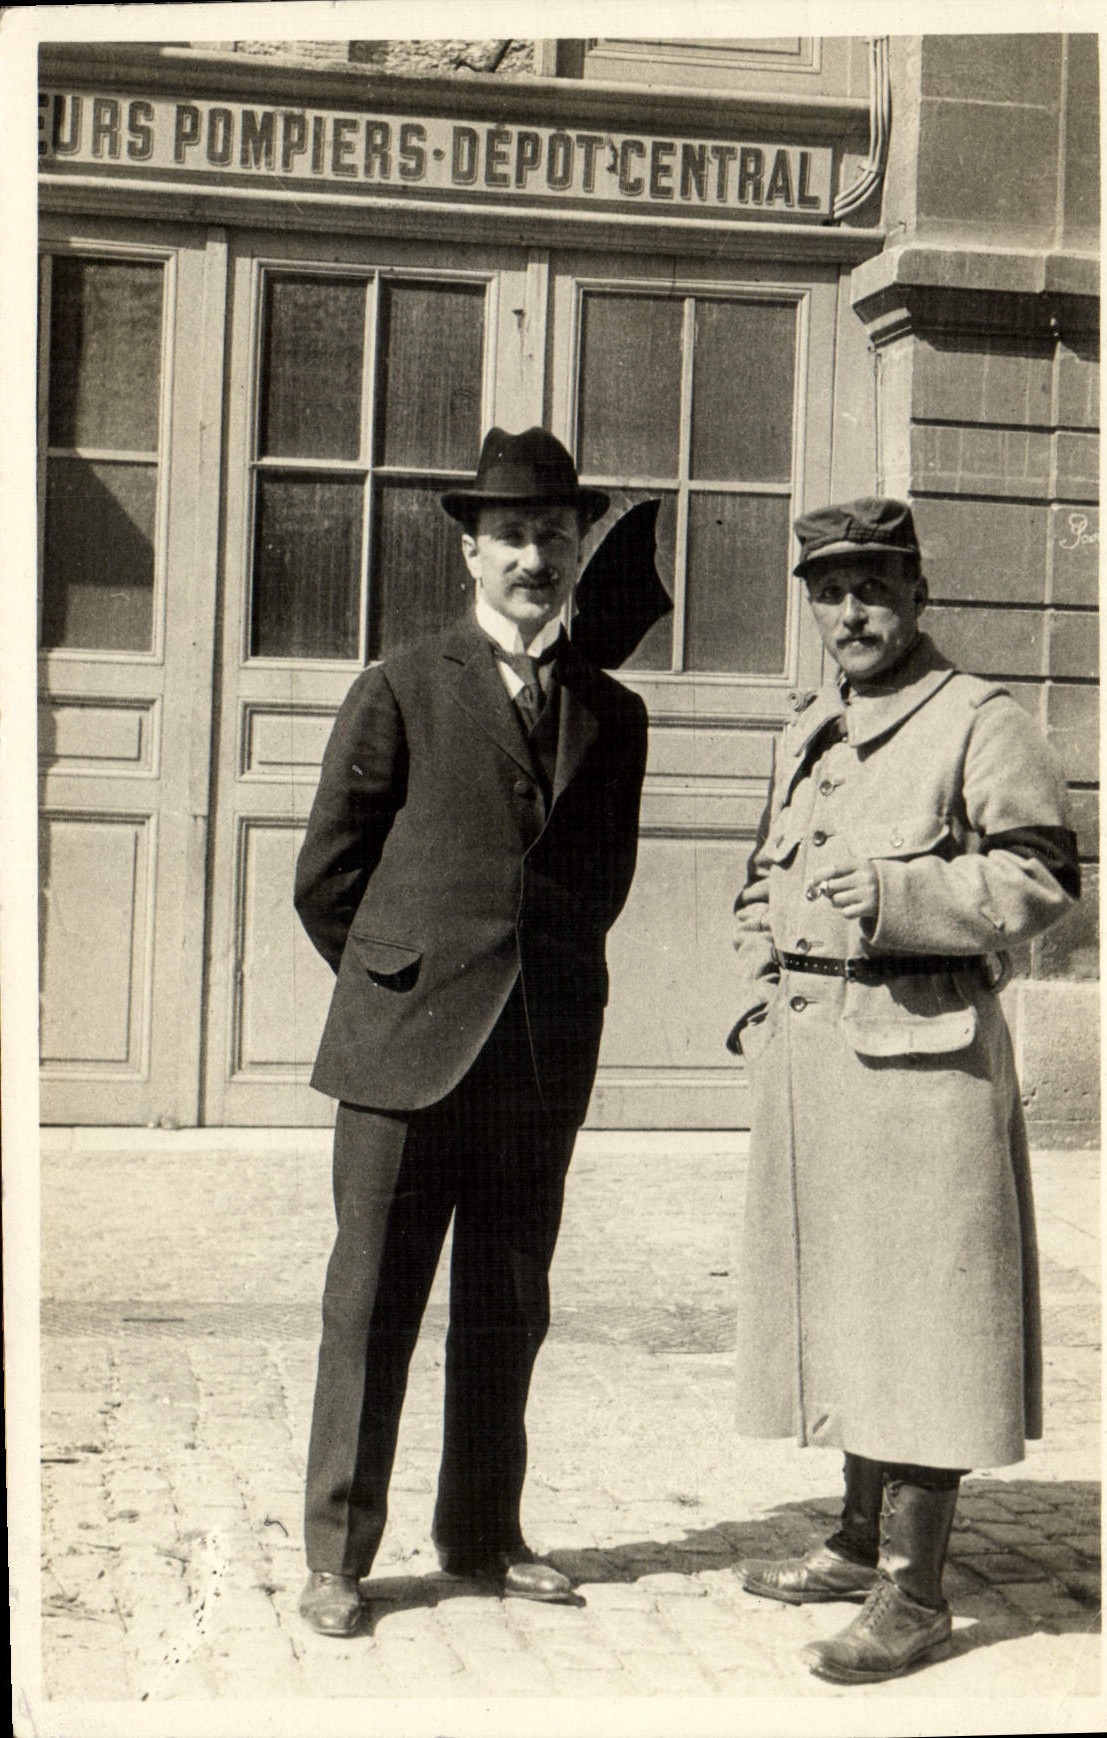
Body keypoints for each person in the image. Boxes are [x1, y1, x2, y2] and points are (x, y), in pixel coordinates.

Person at [293, 426, 648, 1637]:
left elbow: (600, 883)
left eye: (556, 533)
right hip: (403, 1057)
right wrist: (404, 984)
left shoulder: (613, 709)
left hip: (536, 1060)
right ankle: (338, 1558)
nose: (534, 556)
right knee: (373, 1305)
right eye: (511, 536)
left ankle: (484, 1534)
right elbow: (325, 879)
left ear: (577, 545)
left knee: (508, 1301)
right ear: (469, 551)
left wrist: (530, 994)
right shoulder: (399, 682)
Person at [727, 497, 1079, 1684]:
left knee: (924, 1324)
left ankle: (916, 1595)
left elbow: (1039, 877)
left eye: (874, 586)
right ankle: (852, 1539)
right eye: (829, 591)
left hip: (925, 1063)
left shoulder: (980, 720)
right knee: (840, 1305)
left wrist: (892, 896)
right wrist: (758, 964)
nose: (851, 611)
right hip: (815, 1060)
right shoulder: (806, 728)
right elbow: (758, 872)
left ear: (919, 593)